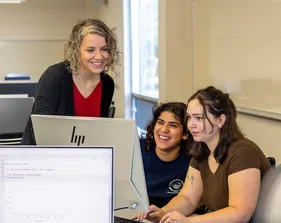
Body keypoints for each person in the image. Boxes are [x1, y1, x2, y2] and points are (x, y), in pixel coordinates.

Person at [136, 86, 271, 223]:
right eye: (189, 118)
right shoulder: (202, 150)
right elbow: (188, 198)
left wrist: (189, 221)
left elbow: (240, 213)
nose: (191, 125)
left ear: (220, 120)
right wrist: (162, 213)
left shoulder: (243, 152)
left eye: (199, 118)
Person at [21, 18, 121, 145]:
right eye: (90, 50)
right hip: (47, 154)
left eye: (104, 49)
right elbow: (39, 130)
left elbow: (99, 129)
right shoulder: (55, 77)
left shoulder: (107, 84)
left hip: (86, 156)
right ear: (76, 50)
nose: (99, 56)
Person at [140, 102, 191, 208]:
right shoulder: (137, 149)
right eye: (160, 122)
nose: (163, 130)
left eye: (173, 125)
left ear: (185, 134)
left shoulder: (192, 161)